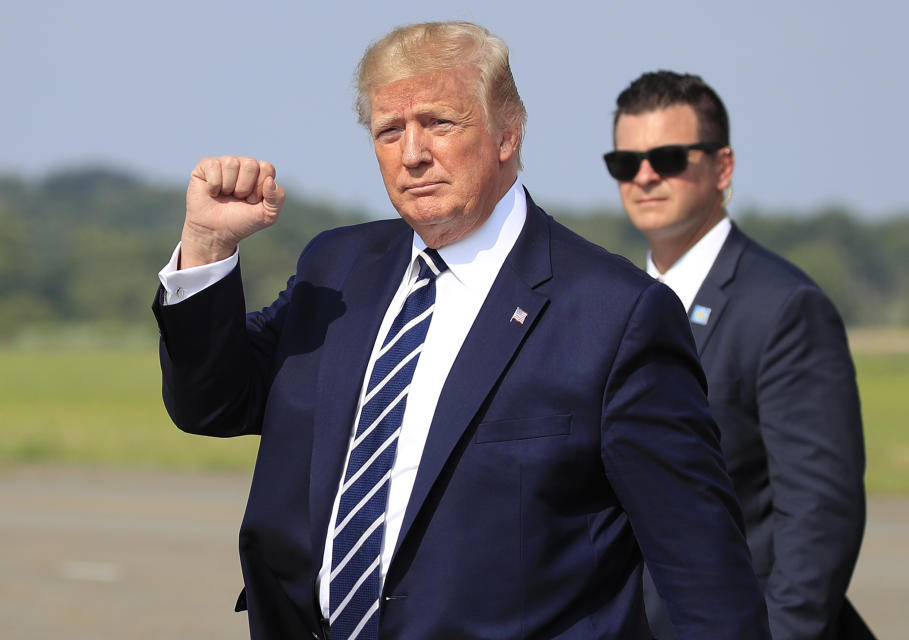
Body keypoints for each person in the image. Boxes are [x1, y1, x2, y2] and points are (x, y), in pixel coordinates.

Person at [153, 24, 770, 639]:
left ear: (508, 133)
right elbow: (212, 401)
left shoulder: (615, 315)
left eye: (439, 124)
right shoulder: (337, 269)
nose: (413, 153)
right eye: (389, 131)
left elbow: (702, 571)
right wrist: (208, 244)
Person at [604, 70, 871, 640]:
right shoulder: (608, 304)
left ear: (722, 167)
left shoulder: (784, 308)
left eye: (669, 157)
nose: (645, 176)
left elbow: (819, 519)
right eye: (626, 164)